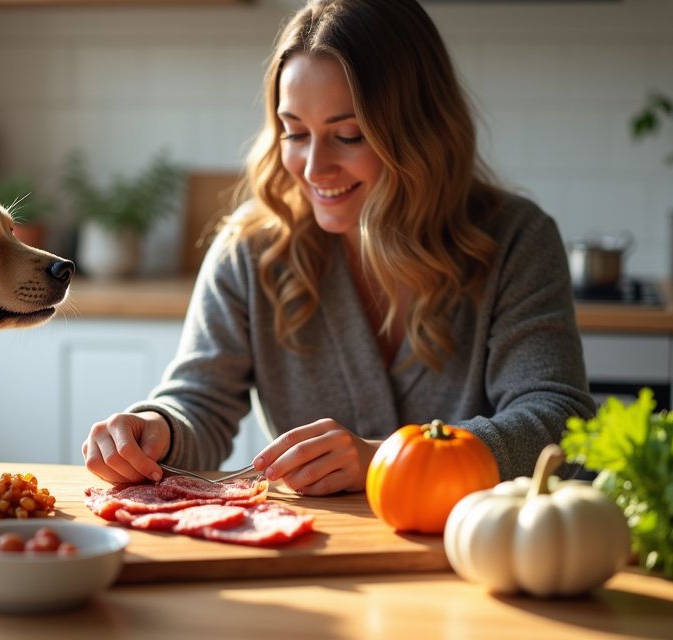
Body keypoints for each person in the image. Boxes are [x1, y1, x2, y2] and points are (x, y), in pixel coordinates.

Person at [82, 0, 593, 496]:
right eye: (294, 132)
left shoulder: (516, 240)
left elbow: (558, 421)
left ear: (422, 131)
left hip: (474, 544)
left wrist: (385, 459)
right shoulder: (251, 249)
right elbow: (200, 403)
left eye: (348, 135)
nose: (313, 168)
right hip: (319, 546)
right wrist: (156, 427)